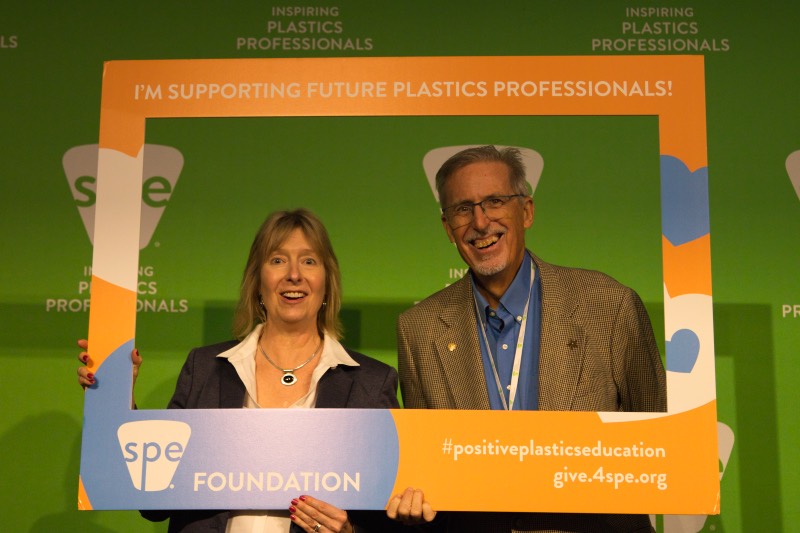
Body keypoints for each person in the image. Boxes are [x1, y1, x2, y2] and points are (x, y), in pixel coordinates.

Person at [386, 145, 667, 532]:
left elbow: (656, 445)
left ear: (527, 211)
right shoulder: (419, 330)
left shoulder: (609, 306)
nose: (480, 222)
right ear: (448, 228)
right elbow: (427, 468)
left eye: (495, 201)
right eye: (463, 209)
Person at [78, 209, 400, 533]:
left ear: (327, 282)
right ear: (257, 281)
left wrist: (350, 531)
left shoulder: (371, 383)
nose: (294, 274)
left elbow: (388, 516)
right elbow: (154, 502)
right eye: (277, 260)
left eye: (309, 261)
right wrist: (116, 394)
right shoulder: (204, 368)